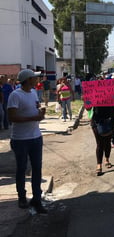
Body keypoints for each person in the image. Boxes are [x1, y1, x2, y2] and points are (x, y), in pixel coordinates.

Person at [7, 69, 47, 213]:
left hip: (36, 137)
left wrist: (40, 113)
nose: (37, 80)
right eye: (34, 78)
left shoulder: (34, 93)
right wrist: (33, 118)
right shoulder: (15, 95)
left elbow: (35, 109)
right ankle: (22, 197)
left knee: (37, 169)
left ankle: (37, 198)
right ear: (28, 80)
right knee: (22, 169)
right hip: (20, 139)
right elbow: (12, 117)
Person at [90, 106, 114, 176]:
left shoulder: (111, 94)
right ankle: (99, 165)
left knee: (107, 142)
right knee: (99, 144)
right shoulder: (93, 94)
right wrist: (86, 100)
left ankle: (107, 159)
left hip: (110, 120)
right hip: (97, 121)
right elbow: (88, 108)